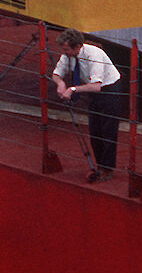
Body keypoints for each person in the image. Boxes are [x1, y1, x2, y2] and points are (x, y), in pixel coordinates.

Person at [50, 29, 123, 182]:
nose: (64, 53)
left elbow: (97, 86)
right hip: (92, 90)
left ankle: (107, 168)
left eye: (66, 49)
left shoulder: (93, 55)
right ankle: (100, 164)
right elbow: (56, 73)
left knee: (108, 129)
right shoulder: (68, 55)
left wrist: (73, 89)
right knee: (95, 129)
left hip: (109, 89)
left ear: (77, 47)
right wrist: (60, 83)